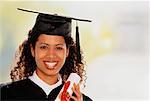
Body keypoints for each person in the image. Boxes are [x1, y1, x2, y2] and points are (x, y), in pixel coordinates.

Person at [1, 8, 92, 101]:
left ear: (67, 52)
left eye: (58, 48)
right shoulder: (6, 94)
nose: (51, 55)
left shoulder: (79, 99)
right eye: (44, 47)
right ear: (33, 50)